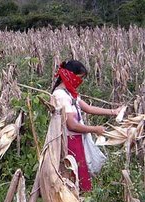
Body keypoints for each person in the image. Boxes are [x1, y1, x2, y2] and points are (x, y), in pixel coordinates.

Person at [52, 60, 122, 192]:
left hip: (77, 139)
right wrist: (95, 129)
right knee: (75, 175)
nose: (80, 82)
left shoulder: (69, 93)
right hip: (69, 141)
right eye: (79, 78)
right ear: (69, 75)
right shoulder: (60, 95)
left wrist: (113, 112)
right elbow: (72, 125)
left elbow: (88, 108)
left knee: (81, 173)